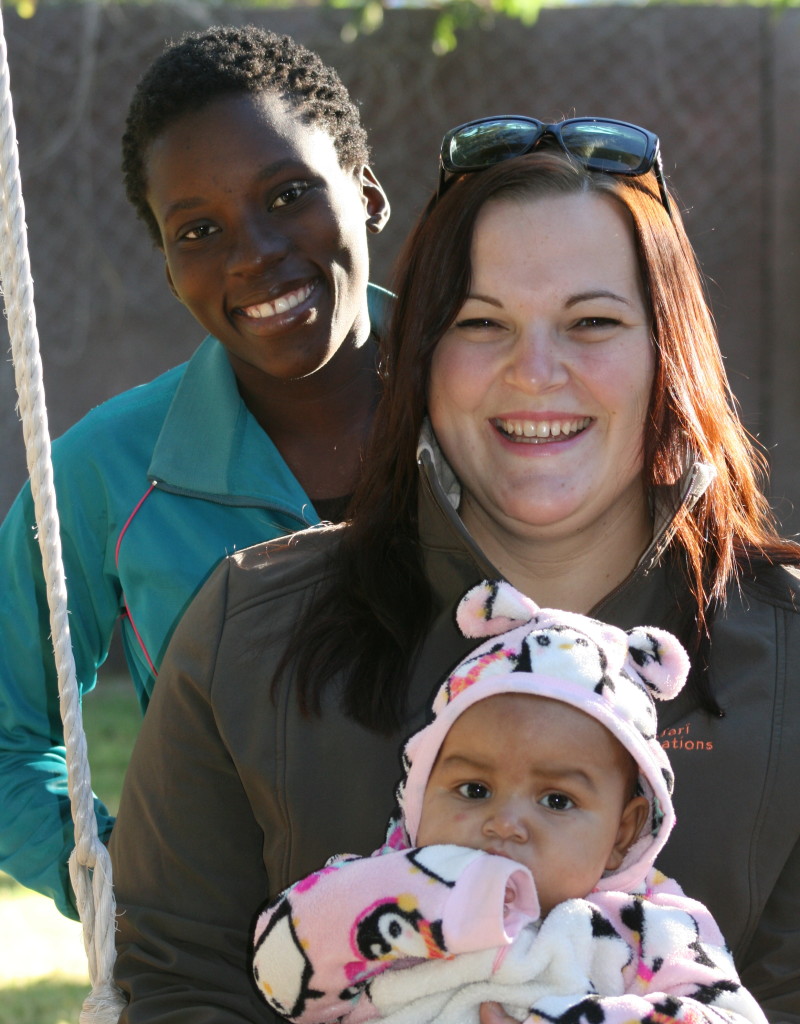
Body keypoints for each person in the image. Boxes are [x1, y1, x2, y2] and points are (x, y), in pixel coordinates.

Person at [109, 118, 800, 1022]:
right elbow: (177, 983)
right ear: (420, 356)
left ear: (669, 352)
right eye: (482, 323)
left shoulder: (787, 650)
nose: (536, 372)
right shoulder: (249, 627)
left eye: (592, 321)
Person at [0, 24, 390, 918]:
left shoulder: (500, 408)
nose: (253, 252)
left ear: (366, 194)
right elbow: (4, 728)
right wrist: (120, 882)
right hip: (239, 977)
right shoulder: (109, 469)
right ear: (172, 270)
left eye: (289, 194)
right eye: (200, 230)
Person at [249, 580, 766, 1024]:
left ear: (623, 834)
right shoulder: (375, 885)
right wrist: (428, 897)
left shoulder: (653, 927)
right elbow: (281, 974)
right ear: (421, 790)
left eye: (557, 800)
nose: (505, 823)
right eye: (474, 790)